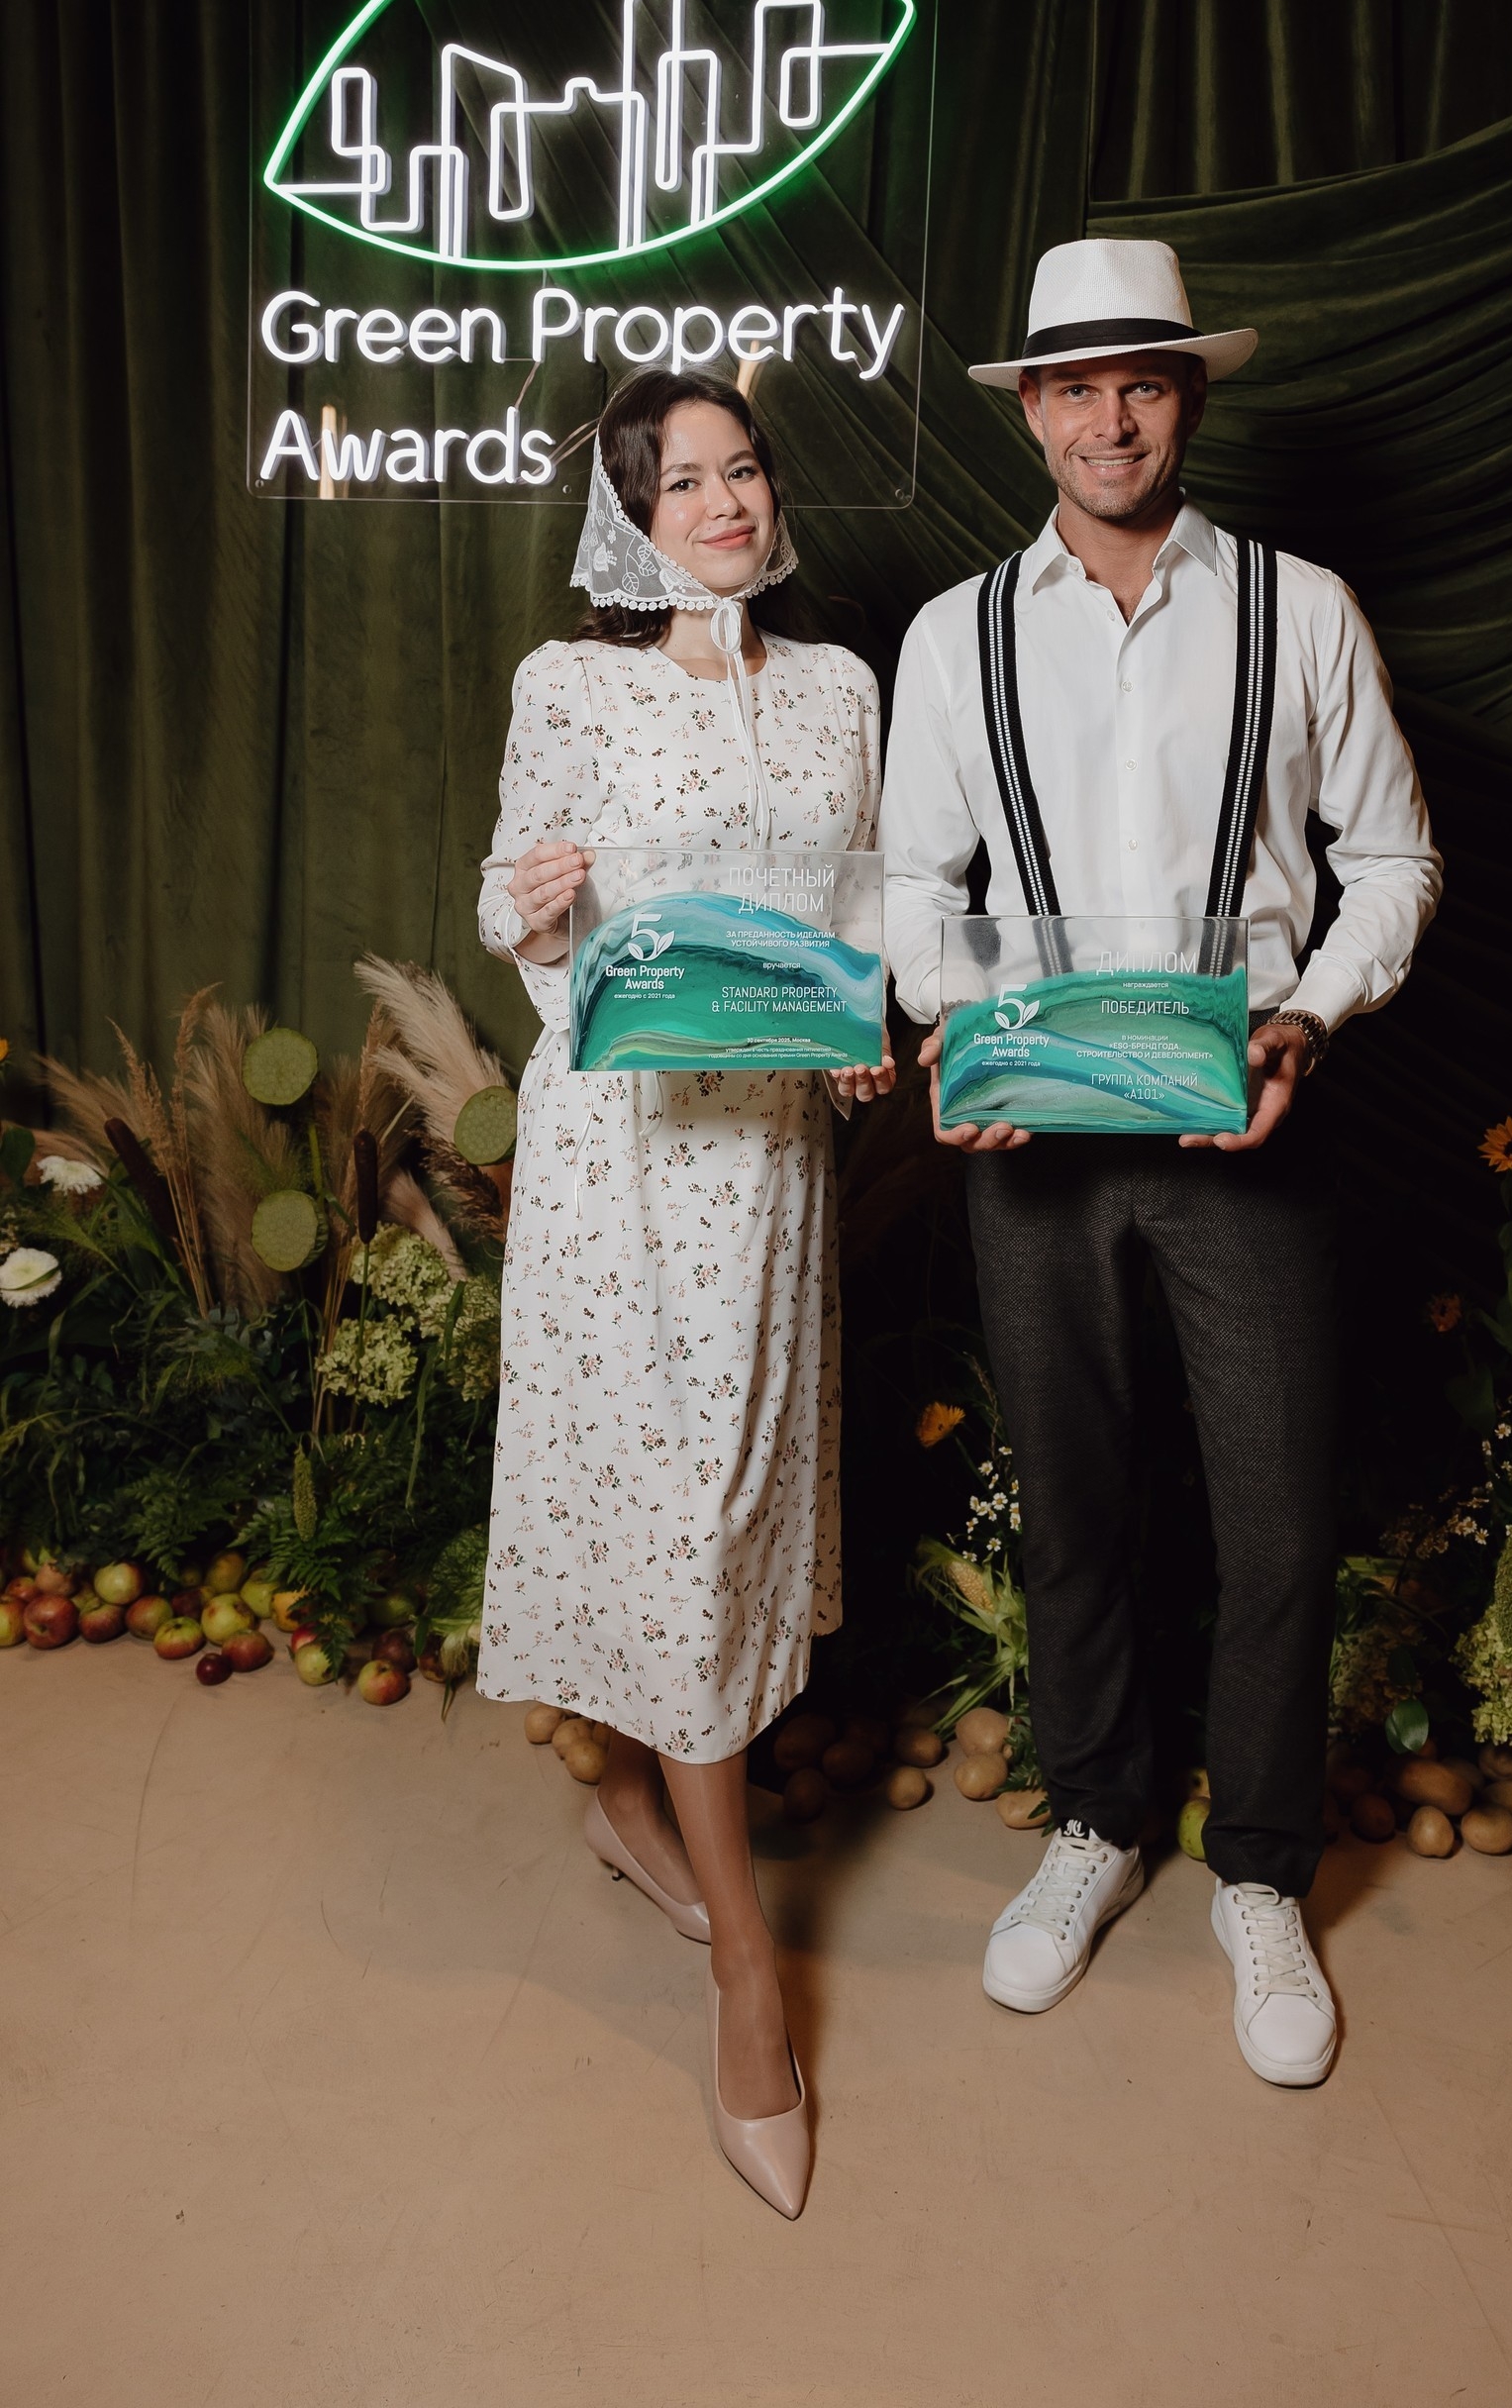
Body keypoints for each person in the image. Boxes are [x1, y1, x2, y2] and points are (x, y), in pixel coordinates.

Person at [879, 238, 1439, 2088]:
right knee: (1075, 1503)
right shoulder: (956, 634)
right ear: (1030, 412)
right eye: (1074, 387)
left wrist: (1310, 1019)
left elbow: (1394, 860)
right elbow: (913, 887)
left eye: (1142, 383)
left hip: (1242, 1122)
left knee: (1275, 1517)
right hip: (1035, 1139)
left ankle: (1260, 1873)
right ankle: (1098, 1822)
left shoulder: (1303, 608)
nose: (1108, 418)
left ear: (1189, 400)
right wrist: (960, 1022)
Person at [477, 368, 893, 2216]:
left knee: (725, 1523)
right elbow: (507, 908)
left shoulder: (843, 687)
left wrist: (866, 1032)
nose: (723, 503)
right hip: (620, 1169)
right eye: (682, 483)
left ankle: (632, 1803)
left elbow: (862, 916)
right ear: (630, 519)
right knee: (671, 1517)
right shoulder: (569, 685)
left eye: (743, 470)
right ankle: (744, 1963)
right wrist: (539, 901)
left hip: (769, 1172)